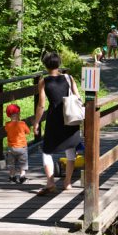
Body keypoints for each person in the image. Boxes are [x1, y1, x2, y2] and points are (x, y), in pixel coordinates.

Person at [33, 52, 82, 195]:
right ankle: (67, 183)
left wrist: (36, 123)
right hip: (69, 116)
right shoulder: (68, 78)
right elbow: (77, 97)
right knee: (70, 148)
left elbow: (41, 105)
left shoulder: (43, 81)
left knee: (47, 150)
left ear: (46, 65)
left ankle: (51, 183)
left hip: (54, 118)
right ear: (59, 63)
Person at [4, 103, 30, 184]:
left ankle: (12, 177)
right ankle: (22, 176)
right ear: (18, 114)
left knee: (11, 163)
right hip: (22, 147)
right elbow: (28, 132)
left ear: (9, 115)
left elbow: (7, 131)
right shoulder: (22, 124)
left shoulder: (7, 125)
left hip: (11, 148)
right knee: (23, 162)